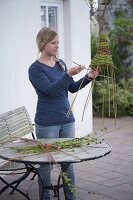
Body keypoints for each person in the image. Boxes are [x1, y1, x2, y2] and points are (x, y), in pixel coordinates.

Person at [28, 27, 99, 200]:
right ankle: (46, 196)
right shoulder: (35, 69)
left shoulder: (60, 64)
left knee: (68, 163)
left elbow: (72, 88)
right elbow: (50, 90)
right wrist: (67, 74)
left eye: (58, 42)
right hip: (47, 123)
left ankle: (71, 197)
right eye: (53, 43)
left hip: (67, 121)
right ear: (43, 43)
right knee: (46, 165)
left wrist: (88, 77)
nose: (57, 46)